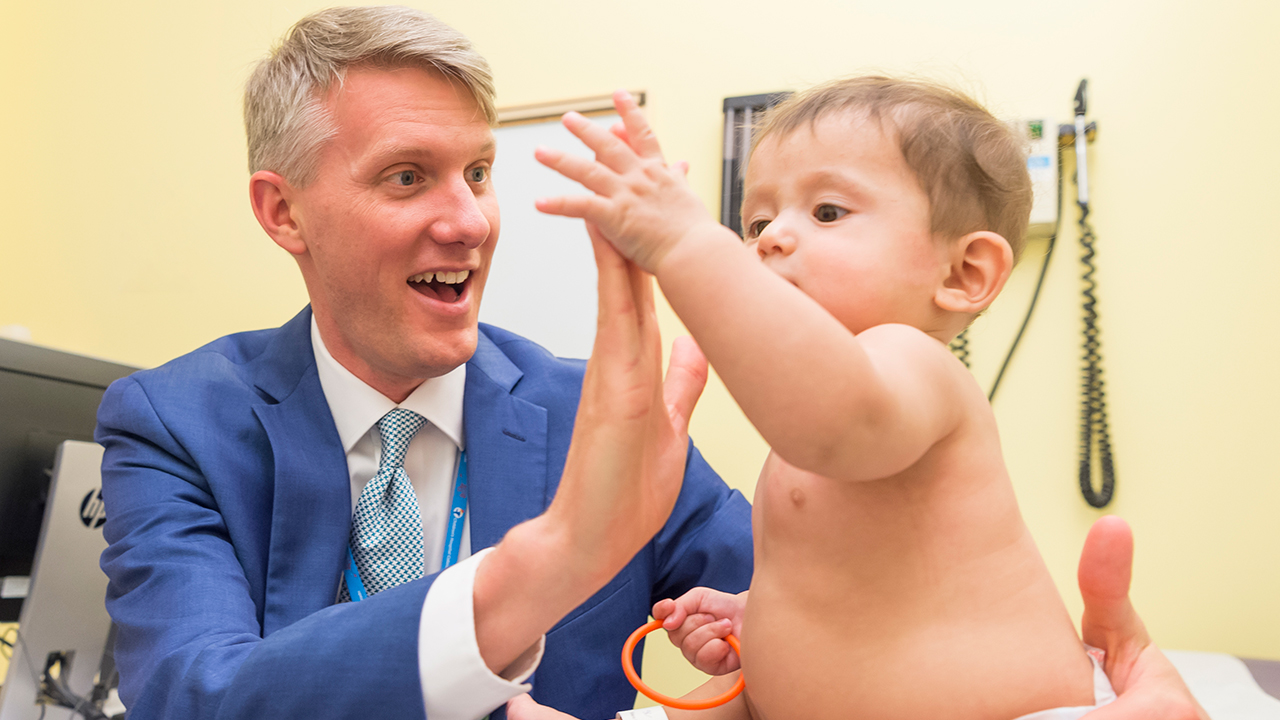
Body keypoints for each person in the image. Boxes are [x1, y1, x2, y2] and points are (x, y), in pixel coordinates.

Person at [94, 7, 752, 720]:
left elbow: (828, 629)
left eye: (477, 172)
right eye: (407, 177)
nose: (469, 221)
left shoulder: (599, 417)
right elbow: (190, 699)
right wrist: (543, 566)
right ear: (284, 212)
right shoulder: (177, 425)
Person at [523, 79, 1212, 720]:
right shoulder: (820, 419)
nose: (771, 240)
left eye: (827, 211)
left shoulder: (913, 368)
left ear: (965, 273)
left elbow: (826, 417)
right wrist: (758, 617)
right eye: (755, 222)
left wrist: (685, 243)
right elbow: (857, 593)